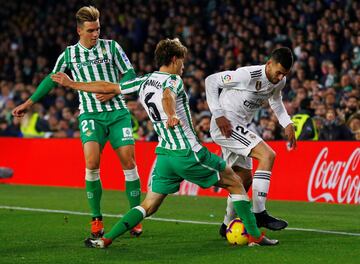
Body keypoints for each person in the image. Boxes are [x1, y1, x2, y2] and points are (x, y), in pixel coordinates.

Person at [51, 38, 278, 248]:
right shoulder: (173, 80)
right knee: (236, 183)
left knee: (148, 205)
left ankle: (106, 239)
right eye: (182, 62)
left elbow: (108, 87)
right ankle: (256, 236)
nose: (183, 67)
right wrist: (171, 114)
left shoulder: (143, 81)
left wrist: (73, 84)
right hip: (188, 152)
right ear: (173, 60)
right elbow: (168, 95)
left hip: (164, 156)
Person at [12, 6, 142, 238]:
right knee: (91, 163)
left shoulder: (112, 47)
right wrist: (28, 103)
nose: (96, 34)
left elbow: (130, 75)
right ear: (79, 30)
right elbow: (52, 80)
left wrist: (113, 92)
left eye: (98, 29)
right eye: (91, 30)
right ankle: (96, 219)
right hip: (90, 115)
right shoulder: (70, 55)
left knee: (128, 162)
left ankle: (135, 216)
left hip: (118, 112)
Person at [205, 47, 296, 237]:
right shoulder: (247, 75)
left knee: (243, 179)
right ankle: (259, 212)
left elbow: (276, 101)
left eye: (284, 74)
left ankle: (226, 225)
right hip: (226, 124)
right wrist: (218, 114)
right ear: (269, 64)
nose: (280, 78)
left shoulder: (280, 81)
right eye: (278, 72)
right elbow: (211, 80)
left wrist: (287, 123)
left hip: (239, 126)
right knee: (268, 155)